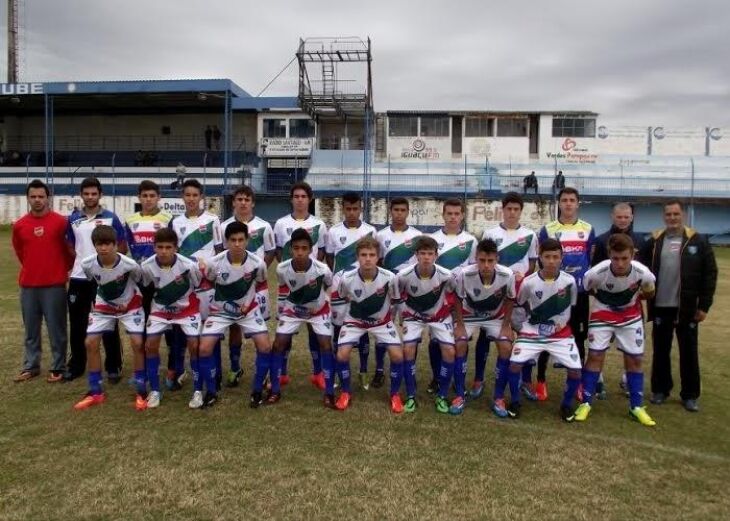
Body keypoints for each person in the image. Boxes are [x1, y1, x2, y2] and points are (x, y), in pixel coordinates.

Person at [640, 200, 717, 412]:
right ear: (664, 216)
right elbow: (639, 266)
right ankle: (660, 390)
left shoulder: (698, 241)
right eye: (668, 214)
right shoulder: (655, 240)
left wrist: (704, 306)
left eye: (676, 214)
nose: (672, 218)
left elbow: (710, 275)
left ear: (682, 214)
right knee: (661, 350)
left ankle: (690, 395)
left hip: (687, 307)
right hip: (661, 306)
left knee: (688, 351)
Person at [574, 234, 657, 426]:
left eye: (625, 258)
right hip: (603, 314)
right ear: (609, 255)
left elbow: (650, 291)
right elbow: (589, 289)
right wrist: (610, 302)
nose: (620, 263)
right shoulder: (596, 273)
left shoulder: (643, 273)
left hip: (630, 317)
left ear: (632, 256)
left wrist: (629, 300)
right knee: (595, 356)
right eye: (615, 258)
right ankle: (586, 402)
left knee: (635, 358)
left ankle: (636, 406)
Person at [199, 221, 273, 409]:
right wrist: (211, 307)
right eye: (233, 240)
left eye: (241, 239)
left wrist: (251, 305)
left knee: (265, 346)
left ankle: (257, 390)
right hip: (220, 312)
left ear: (247, 240)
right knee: (204, 349)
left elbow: (261, 284)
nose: (237, 244)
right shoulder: (214, 263)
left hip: (248, 312)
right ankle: (211, 392)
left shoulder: (258, 263)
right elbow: (207, 283)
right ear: (226, 242)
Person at [506, 239, 581, 422]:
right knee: (514, 365)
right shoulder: (528, 282)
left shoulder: (569, 281)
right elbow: (520, 305)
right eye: (547, 257)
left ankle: (566, 405)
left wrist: (559, 325)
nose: (551, 261)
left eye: (556, 257)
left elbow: (571, 306)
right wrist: (520, 328)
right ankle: (515, 401)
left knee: (575, 371)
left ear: (562, 258)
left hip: (560, 335)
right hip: (532, 332)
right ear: (540, 257)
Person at [72, 226, 146, 410]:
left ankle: (141, 390)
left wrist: (128, 304)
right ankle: (95, 391)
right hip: (104, 305)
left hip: (130, 305)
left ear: (115, 245)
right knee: (90, 342)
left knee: (137, 343)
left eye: (108, 244)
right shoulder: (88, 263)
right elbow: (94, 282)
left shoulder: (129, 264)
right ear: (94, 245)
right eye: (99, 244)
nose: (104, 248)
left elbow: (140, 283)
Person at [532, 187, 594, 400]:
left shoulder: (588, 229)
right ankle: (540, 381)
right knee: (546, 334)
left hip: (579, 292)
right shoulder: (548, 229)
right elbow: (542, 260)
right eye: (564, 200)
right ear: (559, 203)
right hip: (552, 292)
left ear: (578, 204)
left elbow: (590, 260)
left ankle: (577, 383)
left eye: (572, 200)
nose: (568, 204)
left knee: (578, 337)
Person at [65, 177, 126, 383]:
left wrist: (111, 269)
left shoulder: (111, 218)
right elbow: (71, 246)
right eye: (86, 193)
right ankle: (76, 365)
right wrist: (81, 262)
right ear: (81, 195)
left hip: (105, 278)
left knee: (108, 322)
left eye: (94, 193)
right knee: (78, 323)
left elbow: (122, 246)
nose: (90, 197)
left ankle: (113, 366)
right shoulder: (73, 219)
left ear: (100, 195)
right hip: (79, 278)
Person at [334, 237, 404, 413]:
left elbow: (395, 300)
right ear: (357, 257)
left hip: (382, 323)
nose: (367, 259)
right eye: (363, 255)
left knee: (397, 356)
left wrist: (393, 321)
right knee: (342, 355)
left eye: (372, 255)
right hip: (354, 322)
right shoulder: (346, 278)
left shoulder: (390, 277)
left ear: (378, 256)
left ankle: (395, 394)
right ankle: (345, 392)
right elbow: (343, 297)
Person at [12, 180, 73, 383]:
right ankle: (31, 366)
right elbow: (21, 252)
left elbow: (69, 251)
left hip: (54, 284)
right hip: (28, 285)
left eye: (41, 196)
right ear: (28, 198)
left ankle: (58, 366)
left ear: (48, 198)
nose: (37, 200)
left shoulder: (61, 222)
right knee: (31, 330)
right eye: (33, 197)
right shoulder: (20, 225)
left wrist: (60, 270)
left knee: (57, 329)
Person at [480, 192, 537, 400]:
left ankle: (526, 380)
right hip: (495, 294)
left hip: (520, 295)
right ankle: (479, 378)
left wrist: (524, 276)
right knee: (487, 337)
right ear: (502, 210)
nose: (512, 213)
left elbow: (532, 264)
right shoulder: (490, 233)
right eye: (509, 209)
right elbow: (484, 260)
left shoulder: (530, 235)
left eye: (516, 209)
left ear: (521, 211)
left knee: (525, 336)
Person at [168, 179, 223, 390]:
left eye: (195, 195)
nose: (191, 199)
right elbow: (174, 254)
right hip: (186, 287)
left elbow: (219, 253)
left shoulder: (213, 220)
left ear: (201, 197)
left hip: (208, 286)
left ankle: (215, 373)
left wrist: (214, 275)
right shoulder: (176, 222)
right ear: (182, 197)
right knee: (182, 332)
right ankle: (180, 372)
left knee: (211, 331)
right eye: (187, 195)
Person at [271, 229, 335, 407]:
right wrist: (281, 311)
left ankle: (329, 391)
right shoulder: (282, 268)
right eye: (296, 248)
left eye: (304, 248)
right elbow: (283, 289)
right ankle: (275, 388)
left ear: (310, 250)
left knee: (325, 344)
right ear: (291, 249)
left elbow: (329, 287)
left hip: (318, 311)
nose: (300, 252)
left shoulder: (322, 269)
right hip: (293, 310)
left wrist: (322, 305)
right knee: (278, 344)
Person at [140, 228, 204, 409]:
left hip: (187, 310)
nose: (164, 251)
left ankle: (198, 391)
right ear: (154, 247)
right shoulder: (147, 266)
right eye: (160, 247)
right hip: (160, 310)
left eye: (168, 247)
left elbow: (198, 285)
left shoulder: (188, 265)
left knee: (194, 345)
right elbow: (146, 286)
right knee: (150, 345)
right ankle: (154, 391)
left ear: (176, 248)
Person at [452, 239, 516, 417]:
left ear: (497, 259)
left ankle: (498, 397)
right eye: (482, 260)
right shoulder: (465, 274)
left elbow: (511, 299)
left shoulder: (507, 274)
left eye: (490, 261)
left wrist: (506, 326)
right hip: (469, 316)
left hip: (495, 317)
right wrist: (460, 325)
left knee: (505, 347)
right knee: (460, 343)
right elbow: (458, 298)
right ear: (476, 258)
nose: (486, 265)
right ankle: (459, 395)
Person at [273, 182, 328, 389]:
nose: (299, 199)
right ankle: (282, 373)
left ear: (310, 199)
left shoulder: (319, 224)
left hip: (313, 284)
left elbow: (321, 253)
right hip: (290, 285)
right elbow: (279, 250)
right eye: (296, 196)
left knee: (315, 329)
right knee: (286, 330)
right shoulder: (280, 224)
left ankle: (318, 373)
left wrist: (311, 274)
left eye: (303, 196)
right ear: (291, 199)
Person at [220, 185, 275, 387]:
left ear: (252, 202)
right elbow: (219, 253)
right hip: (232, 287)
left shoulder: (264, 227)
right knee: (234, 326)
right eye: (239, 199)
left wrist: (257, 274)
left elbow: (270, 251)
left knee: (260, 326)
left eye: (247, 199)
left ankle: (265, 371)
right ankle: (235, 368)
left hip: (256, 286)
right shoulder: (223, 226)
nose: (243, 202)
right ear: (233, 202)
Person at [396, 235, 459, 414]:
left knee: (449, 351)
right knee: (408, 349)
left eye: (430, 253)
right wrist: (404, 313)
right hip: (414, 317)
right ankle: (410, 394)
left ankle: (442, 394)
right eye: (422, 253)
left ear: (436, 256)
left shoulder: (446, 275)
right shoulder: (404, 275)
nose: (426, 257)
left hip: (439, 317)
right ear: (416, 255)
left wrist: (449, 314)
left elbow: (453, 294)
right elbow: (397, 295)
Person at [326, 192, 376, 390]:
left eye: (356, 209)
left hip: (364, 287)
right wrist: (340, 276)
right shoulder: (334, 232)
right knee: (339, 329)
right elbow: (330, 258)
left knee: (362, 327)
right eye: (348, 209)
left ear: (361, 208)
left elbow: (374, 258)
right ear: (343, 208)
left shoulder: (371, 231)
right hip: (340, 287)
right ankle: (340, 371)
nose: (352, 212)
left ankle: (363, 371)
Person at [427, 199, 477, 394]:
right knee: (435, 340)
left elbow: (474, 271)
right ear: (443, 215)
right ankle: (437, 377)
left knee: (460, 339)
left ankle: (458, 379)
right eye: (449, 213)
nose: (453, 217)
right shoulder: (432, 239)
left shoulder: (471, 241)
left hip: (461, 299)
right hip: (438, 298)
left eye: (457, 214)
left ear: (462, 215)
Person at [373, 197, 422, 389]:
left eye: (403, 210)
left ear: (408, 212)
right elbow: (378, 263)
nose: (399, 213)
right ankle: (379, 370)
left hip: (410, 292)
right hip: (387, 292)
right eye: (396, 210)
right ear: (390, 211)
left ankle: (411, 370)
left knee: (411, 331)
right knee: (382, 329)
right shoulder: (380, 235)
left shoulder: (417, 236)